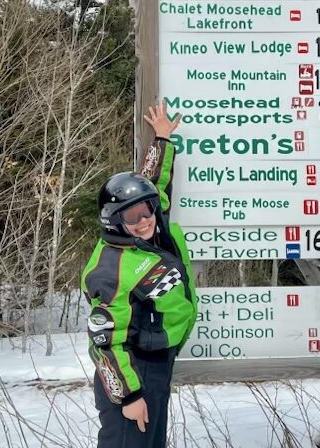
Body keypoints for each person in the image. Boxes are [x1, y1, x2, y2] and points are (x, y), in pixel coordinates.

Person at [81, 101, 197, 448]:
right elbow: (103, 341)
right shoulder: (110, 269)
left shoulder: (154, 227)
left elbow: (153, 179)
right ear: (114, 222)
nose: (144, 220)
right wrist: (128, 396)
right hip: (133, 370)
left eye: (146, 210)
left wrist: (162, 138)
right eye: (132, 218)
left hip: (157, 360)